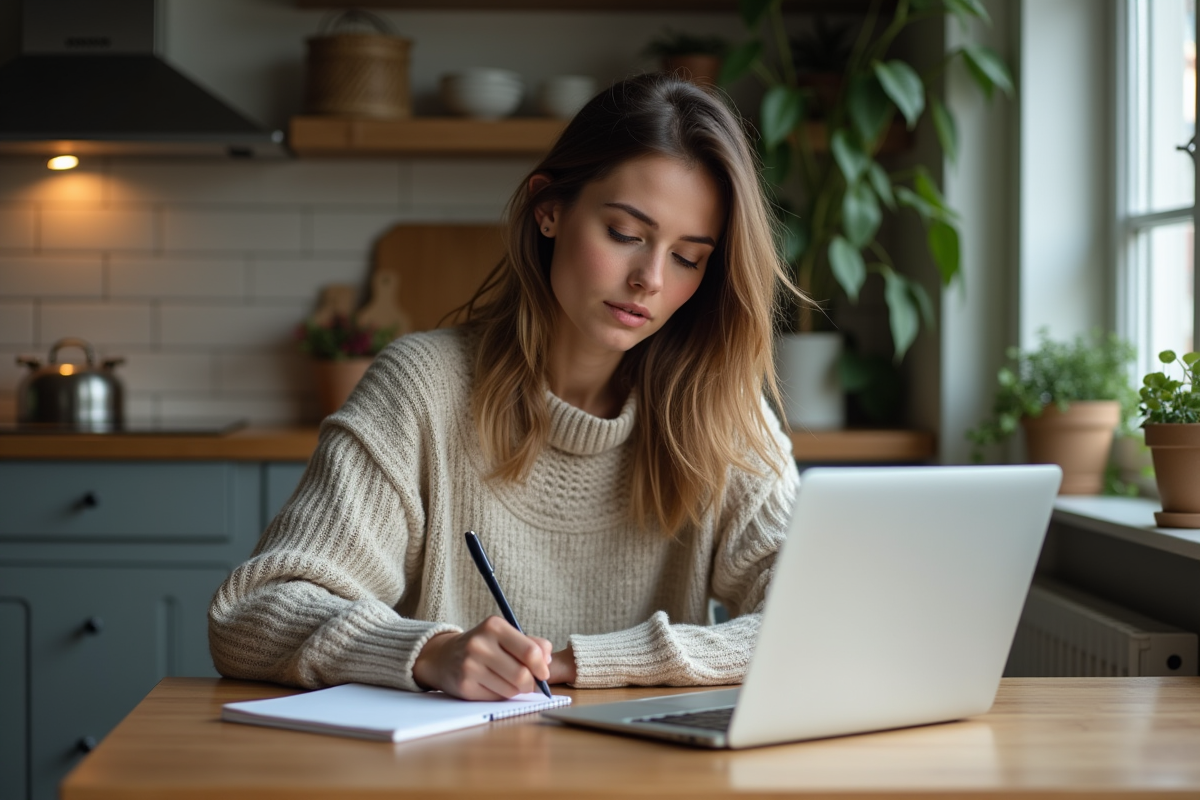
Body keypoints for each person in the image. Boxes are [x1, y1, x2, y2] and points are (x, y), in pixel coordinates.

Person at [208, 72, 802, 701]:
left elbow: (814, 621)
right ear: (549, 209)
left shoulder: (725, 414)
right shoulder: (422, 389)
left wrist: (579, 662)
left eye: (688, 257)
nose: (650, 279)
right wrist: (429, 653)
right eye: (625, 234)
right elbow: (252, 616)